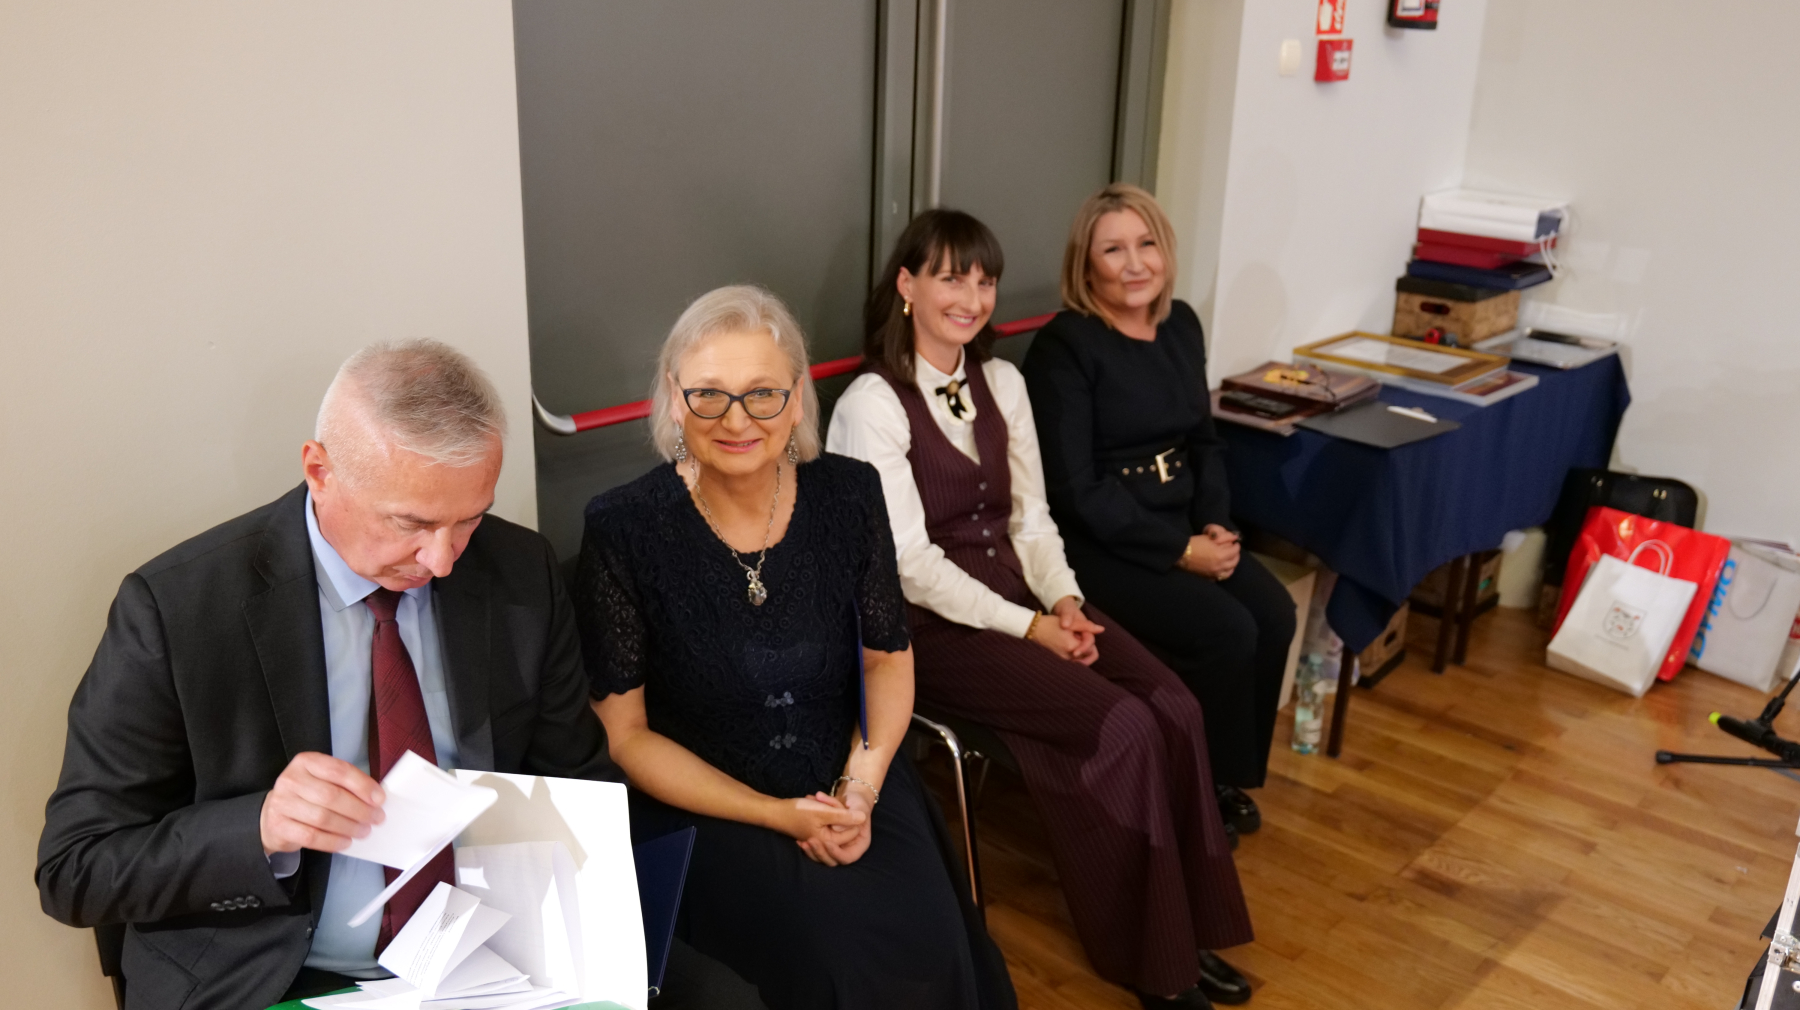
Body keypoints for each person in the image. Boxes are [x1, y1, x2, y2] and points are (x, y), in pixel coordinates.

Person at [37, 340, 763, 1010]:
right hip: (269, 972)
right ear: (320, 471)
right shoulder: (179, 611)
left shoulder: (519, 572)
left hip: (492, 955)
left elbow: (576, 780)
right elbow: (74, 868)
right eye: (411, 524)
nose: (442, 561)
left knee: (728, 999)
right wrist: (260, 828)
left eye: (469, 520)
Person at [828, 209, 1254, 1009]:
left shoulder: (1004, 382)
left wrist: (1063, 599)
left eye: (984, 280)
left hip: (1029, 599)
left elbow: (1032, 520)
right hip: (932, 633)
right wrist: (1032, 628)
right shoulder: (870, 404)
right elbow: (909, 566)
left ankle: (1190, 926)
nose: (972, 298)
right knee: (1123, 728)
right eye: (951, 278)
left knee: (1174, 705)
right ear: (907, 285)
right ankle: (1156, 965)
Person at [573, 286, 1015, 1010]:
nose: (736, 419)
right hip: (711, 806)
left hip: (853, 772)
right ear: (674, 398)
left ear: (798, 397)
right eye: (708, 395)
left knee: (931, 947)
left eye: (763, 394)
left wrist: (859, 790)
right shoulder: (623, 528)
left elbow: (886, 659)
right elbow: (625, 737)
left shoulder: (850, 494)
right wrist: (778, 815)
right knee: (837, 963)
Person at [1022, 184, 1298, 834]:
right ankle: (1186, 791)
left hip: (1183, 523)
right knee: (1225, 631)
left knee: (1273, 613)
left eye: (1146, 244)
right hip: (1103, 543)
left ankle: (1223, 775)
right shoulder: (1065, 346)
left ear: (1166, 251)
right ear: (1086, 265)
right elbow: (1075, 489)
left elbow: (1204, 441)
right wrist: (1179, 552)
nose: (1135, 263)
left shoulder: (1181, 325)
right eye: (1113, 250)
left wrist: (1216, 525)